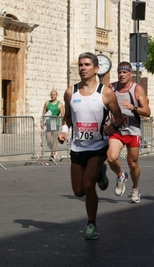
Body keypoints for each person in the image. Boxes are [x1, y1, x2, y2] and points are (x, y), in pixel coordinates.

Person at [58, 52, 123, 240]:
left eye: (87, 64)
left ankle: (92, 223)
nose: (82, 68)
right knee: (78, 191)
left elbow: (119, 116)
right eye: (80, 65)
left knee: (88, 186)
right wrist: (64, 130)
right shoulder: (71, 92)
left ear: (96, 69)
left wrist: (114, 126)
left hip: (98, 146)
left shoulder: (106, 93)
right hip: (78, 147)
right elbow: (68, 117)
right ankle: (101, 173)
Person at [107, 61, 151, 204]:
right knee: (111, 158)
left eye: (125, 72)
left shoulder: (137, 89)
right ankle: (120, 176)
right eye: (120, 72)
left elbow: (147, 111)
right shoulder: (111, 88)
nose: (122, 74)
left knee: (132, 163)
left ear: (130, 74)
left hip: (133, 130)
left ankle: (136, 188)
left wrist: (133, 107)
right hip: (117, 129)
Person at [42, 90, 64, 160]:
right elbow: (43, 113)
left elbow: (63, 115)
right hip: (48, 123)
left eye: (54, 94)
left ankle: (53, 153)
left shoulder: (60, 104)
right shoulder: (47, 103)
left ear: (56, 95)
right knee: (48, 139)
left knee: (54, 139)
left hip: (55, 123)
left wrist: (63, 125)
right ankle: (53, 150)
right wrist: (42, 122)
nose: (52, 96)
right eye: (51, 94)